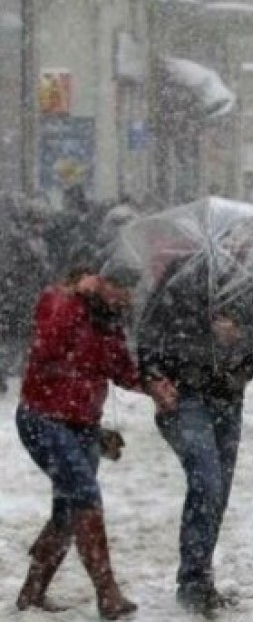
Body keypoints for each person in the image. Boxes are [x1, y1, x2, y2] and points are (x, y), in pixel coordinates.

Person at [15, 260, 177, 618]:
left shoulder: (109, 324)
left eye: (129, 293)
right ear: (99, 282)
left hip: (83, 425)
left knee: (68, 511)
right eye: (119, 289)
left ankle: (32, 592)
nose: (125, 297)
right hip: (44, 419)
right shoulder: (58, 301)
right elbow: (48, 345)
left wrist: (151, 386)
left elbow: (120, 369)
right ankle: (108, 592)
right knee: (85, 497)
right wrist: (76, 299)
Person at [136, 228, 253, 615]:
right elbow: (148, 330)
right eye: (228, 236)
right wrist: (152, 376)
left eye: (242, 237)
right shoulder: (183, 275)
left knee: (218, 491)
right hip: (186, 396)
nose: (237, 244)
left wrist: (239, 334)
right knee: (207, 480)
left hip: (229, 397)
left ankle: (200, 577)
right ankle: (193, 582)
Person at [0, 197, 51, 394]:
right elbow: (32, 271)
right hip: (19, 297)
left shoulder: (30, 241)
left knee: (17, 340)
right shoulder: (22, 241)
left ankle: (17, 375)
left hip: (19, 297)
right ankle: (20, 375)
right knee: (18, 340)